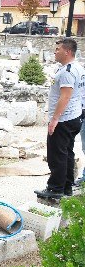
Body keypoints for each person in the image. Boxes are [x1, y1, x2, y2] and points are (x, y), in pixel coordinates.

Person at [35, 38, 85, 199]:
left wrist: (55, 120)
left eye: (58, 49)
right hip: (74, 117)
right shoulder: (78, 68)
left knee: (57, 155)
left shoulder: (67, 72)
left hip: (64, 119)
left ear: (67, 52)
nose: (55, 52)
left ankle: (55, 188)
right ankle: (67, 187)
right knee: (67, 153)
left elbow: (65, 97)